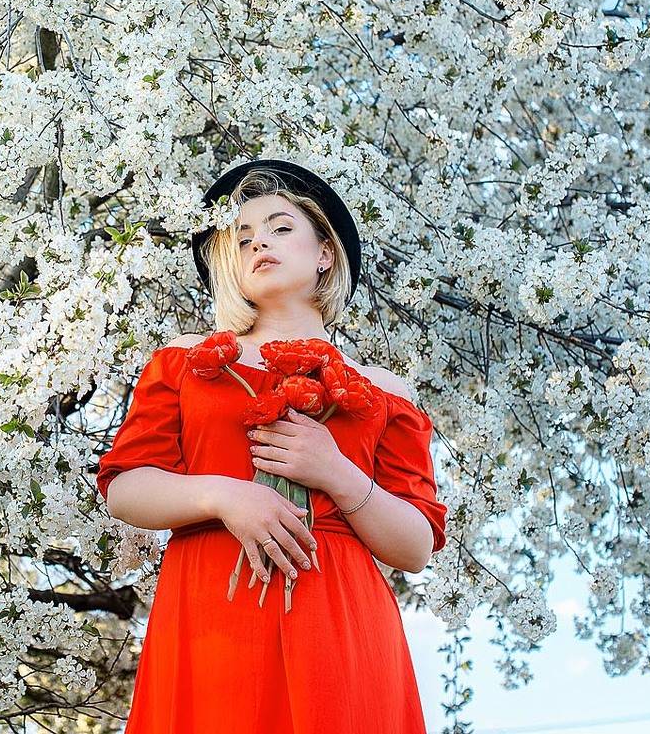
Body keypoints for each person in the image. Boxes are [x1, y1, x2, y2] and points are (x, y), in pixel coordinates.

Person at [96, 158, 448, 733]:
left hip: (338, 620)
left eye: (281, 228)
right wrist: (227, 497)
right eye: (242, 239)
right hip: (212, 610)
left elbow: (414, 547)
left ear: (325, 252)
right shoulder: (187, 361)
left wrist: (335, 472)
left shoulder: (386, 391)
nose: (259, 242)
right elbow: (126, 487)